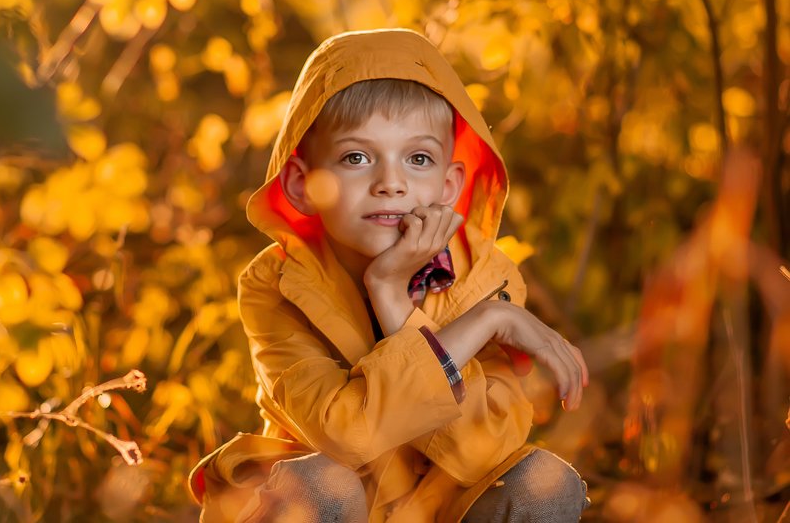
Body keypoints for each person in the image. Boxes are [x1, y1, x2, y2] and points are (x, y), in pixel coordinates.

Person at [188, 29, 590, 522]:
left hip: (433, 507)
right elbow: (345, 437)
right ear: (303, 184)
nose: (391, 184)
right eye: (356, 158)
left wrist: (396, 304)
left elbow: (479, 453)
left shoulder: (486, 276)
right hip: (327, 500)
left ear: (448, 185)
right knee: (325, 486)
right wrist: (484, 323)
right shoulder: (275, 284)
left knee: (544, 485)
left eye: (417, 159)